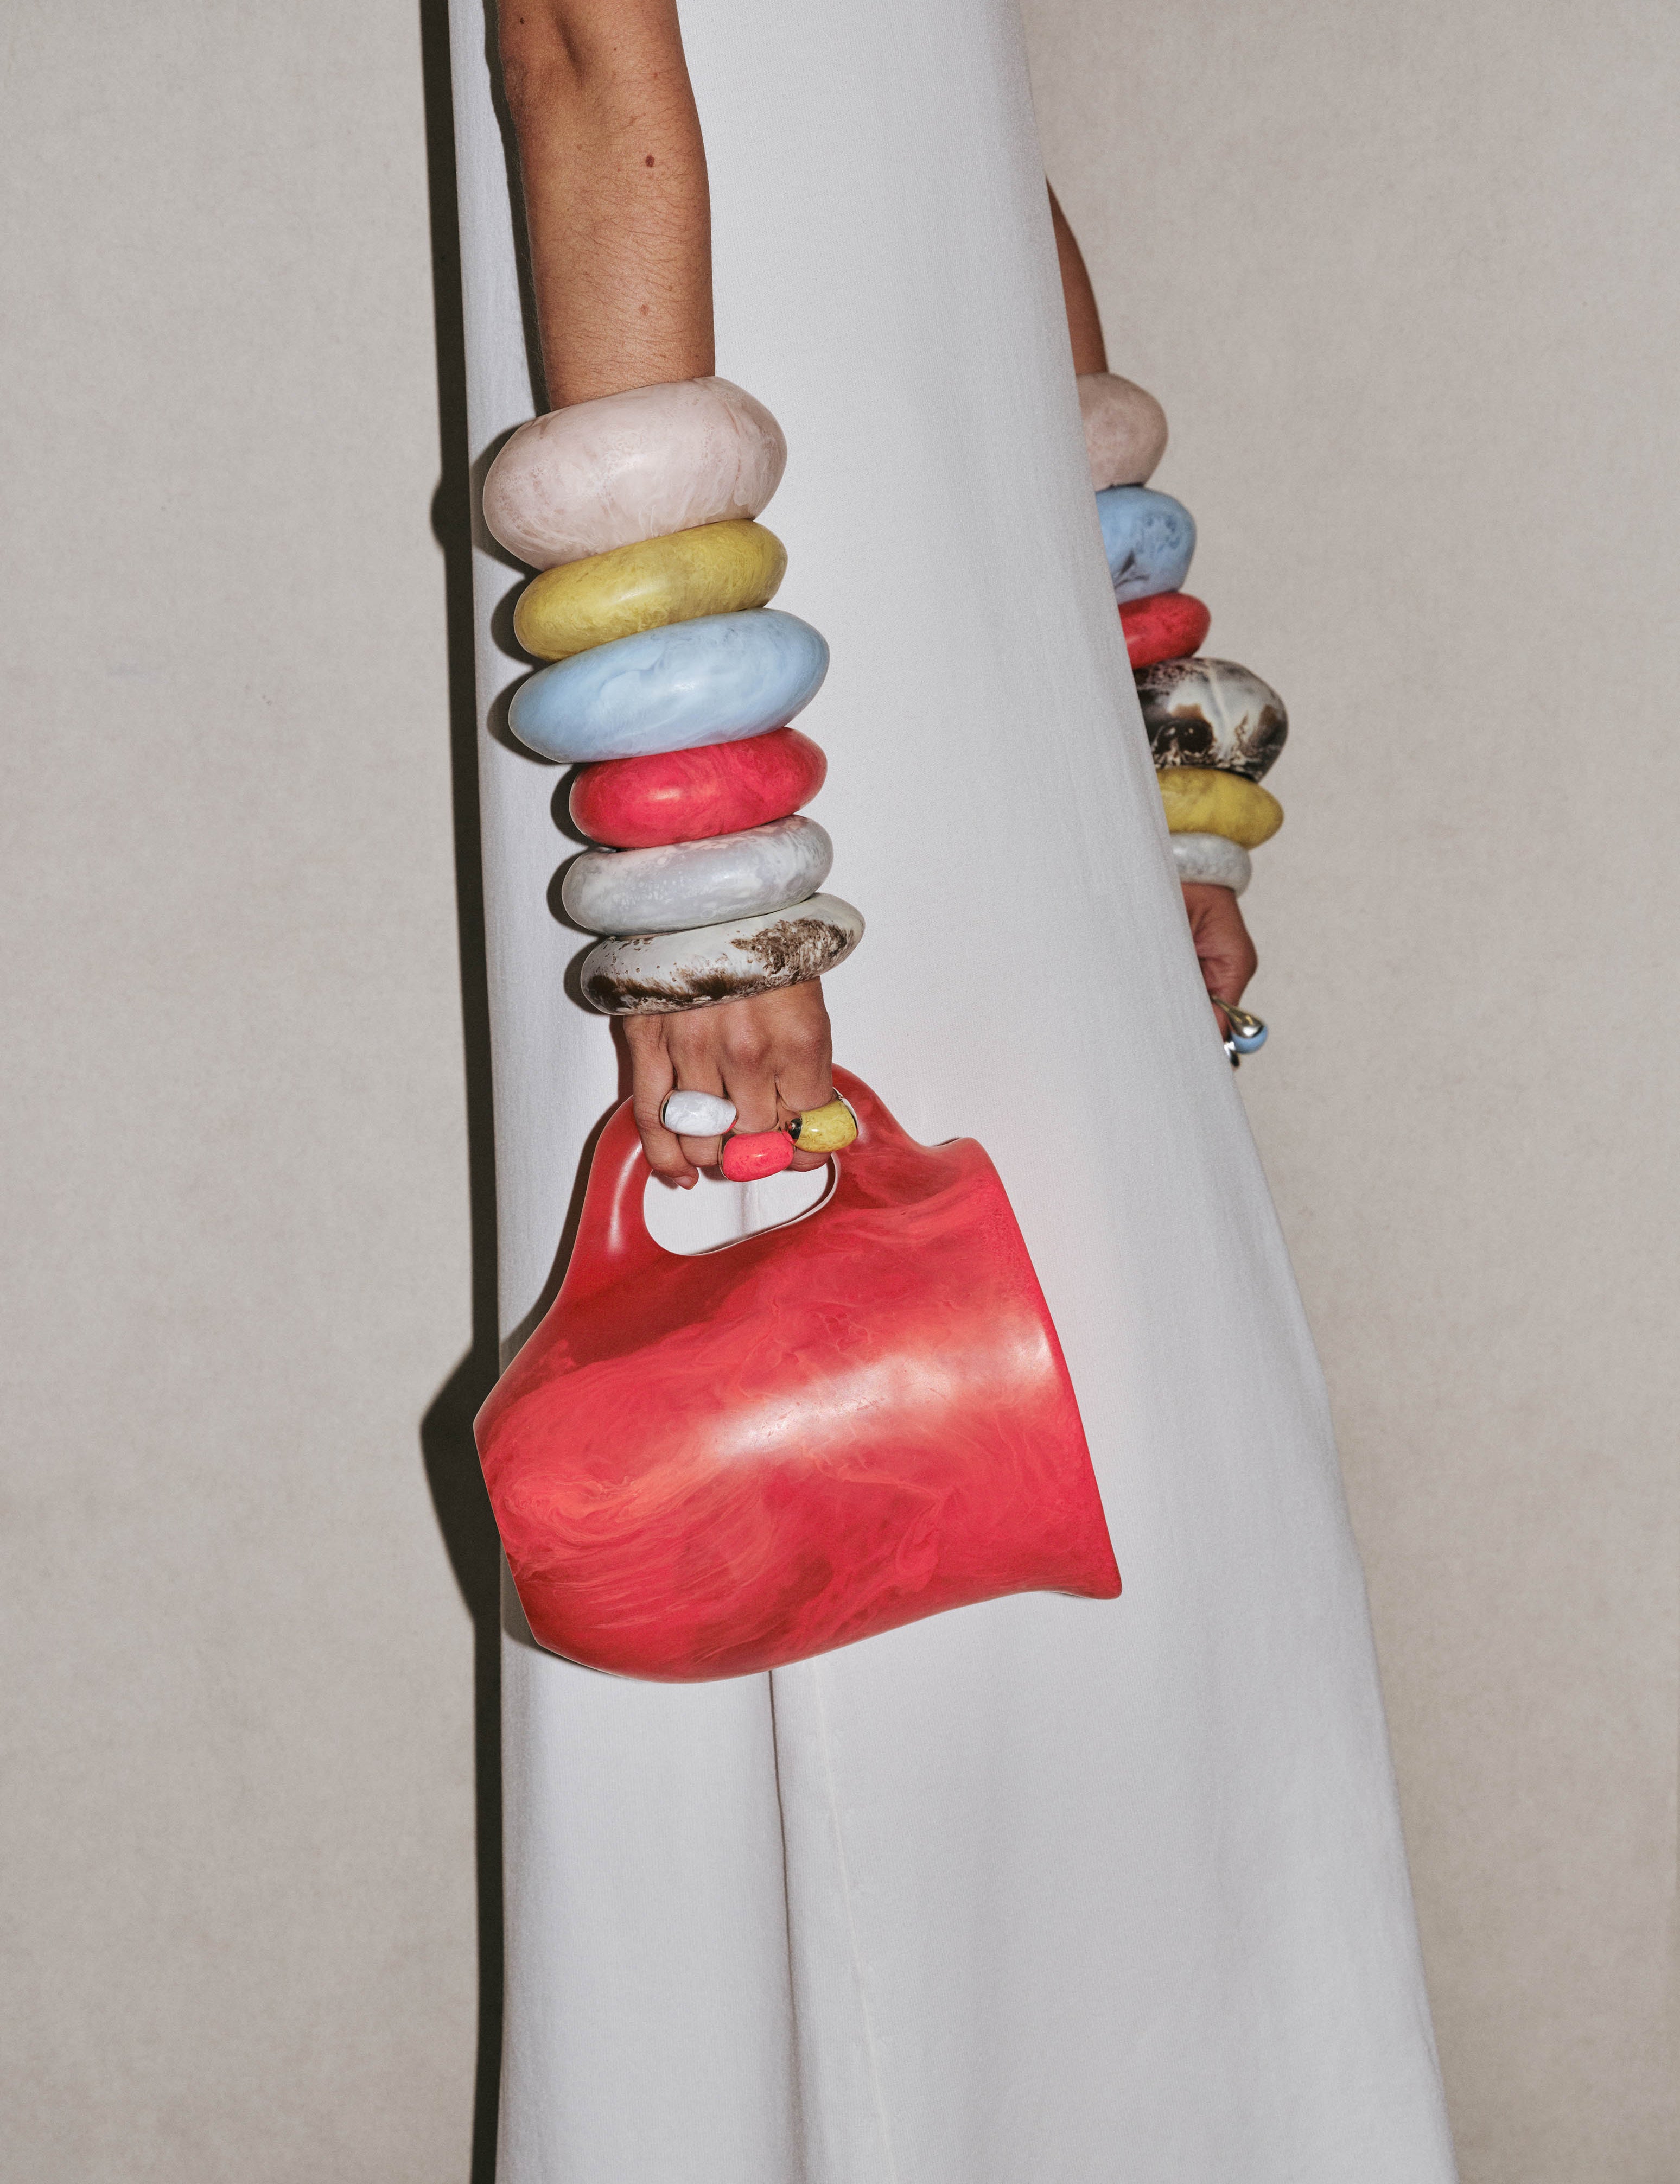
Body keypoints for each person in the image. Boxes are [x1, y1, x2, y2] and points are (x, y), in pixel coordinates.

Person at [450, 2, 1459, 2178]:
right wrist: (689, 865)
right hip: (752, 649)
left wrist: (1153, 739)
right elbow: (578, 59)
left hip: (907, 626)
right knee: (833, 1488)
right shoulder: (702, 814)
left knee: (1106, 1489)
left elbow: (987, 170)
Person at [497, 0, 1256, 1190]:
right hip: (713, 511)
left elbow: (976, 131)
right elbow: (574, 53)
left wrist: (1143, 740)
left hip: (970, 514)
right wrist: (711, 908)